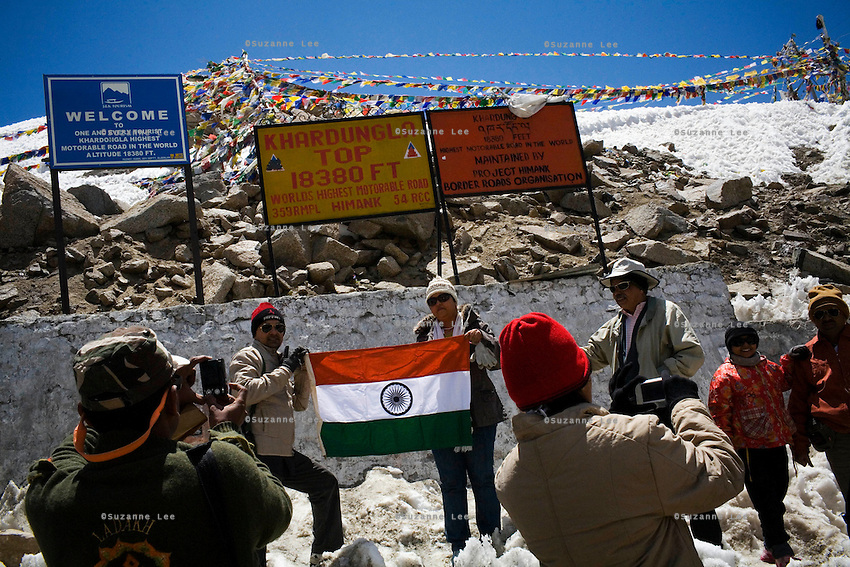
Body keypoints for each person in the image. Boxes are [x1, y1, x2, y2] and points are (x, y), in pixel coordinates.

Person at [25, 326, 291, 567]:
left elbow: (83, 437)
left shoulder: (48, 497)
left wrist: (166, 401)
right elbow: (278, 512)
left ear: (84, 411)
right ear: (171, 401)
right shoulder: (220, 470)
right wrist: (228, 431)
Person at [495, 313, 744, 567]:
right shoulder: (637, 441)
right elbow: (724, 473)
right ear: (583, 380)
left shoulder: (508, 479)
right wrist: (684, 403)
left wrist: (616, 422)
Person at [230, 302, 343, 566]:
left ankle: (323, 552)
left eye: (279, 327)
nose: (274, 332)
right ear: (255, 331)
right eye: (266, 327)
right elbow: (245, 392)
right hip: (258, 454)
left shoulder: (280, 360)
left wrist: (301, 372)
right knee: (261, 519)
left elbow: (300, 405)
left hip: (283, 453)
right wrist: (286, 369)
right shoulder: (249, 356)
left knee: (325, 484)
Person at [413, 277, 505, 560]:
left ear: (454, 299)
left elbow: (499, 357)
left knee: (483, 478)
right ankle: (459, 545)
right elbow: (417, 371)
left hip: (479, 414)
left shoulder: (475, 325)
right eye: (432, 301)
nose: (438, 304)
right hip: (442, 418)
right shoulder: (424, 336)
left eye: (443, 298)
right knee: (451, 483)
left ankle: (491, 538)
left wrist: (482, 339)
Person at [709, 324, 795, 566]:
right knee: (766, 498)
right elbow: (720, 413)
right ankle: (780, 547)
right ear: (730, 347)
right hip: (748, 448)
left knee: (778, 493)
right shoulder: (725, 376)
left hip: (776, 441)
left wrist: (790, 359)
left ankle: (770, 544)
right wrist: (726, 447)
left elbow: (786, 381)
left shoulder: (768, 367)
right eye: (739, 342)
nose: (745, 346)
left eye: (750, 340)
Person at [783, 284, 850, 534]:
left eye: (832, 311)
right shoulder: (806, 355)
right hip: (838, 437)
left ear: (844, 314)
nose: (827, 318)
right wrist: (799, 444)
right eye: (819, 314)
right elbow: (798, 403)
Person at [582, 257, 705, 386]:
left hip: (661, 402)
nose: (617, 293)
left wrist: (662, 376)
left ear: (641, 287)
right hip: (626, 403)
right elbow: (591, 356)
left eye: (623, 286)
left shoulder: (667, 313)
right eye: (613, 289)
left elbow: (692, 354)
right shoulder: (614, 327)